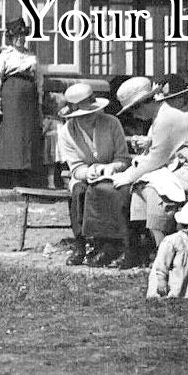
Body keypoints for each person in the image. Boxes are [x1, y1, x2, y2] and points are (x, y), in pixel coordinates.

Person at [111, 74, 188, 248]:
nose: (134, 115)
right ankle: (143, 247)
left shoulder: (167, 118)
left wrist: (126, 176)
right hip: (184, 169)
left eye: (134, 110)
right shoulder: (161, 118)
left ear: (144, 103)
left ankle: (165, 249)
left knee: (154, 190)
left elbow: (155, 159)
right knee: (140, 189)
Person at [56, 82, 133, 268]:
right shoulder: (67, 132)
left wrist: (111, 168)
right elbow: (75, 166)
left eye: (90, 114)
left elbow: (123, 157)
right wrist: (88, 172)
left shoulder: (111, 123)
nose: (87, 118)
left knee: (107, 190)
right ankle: (80, 244)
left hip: (112, 174)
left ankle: (107, 244)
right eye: (81, 116)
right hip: (83, 175)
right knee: (80, 191)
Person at [0, 18, 44, 187]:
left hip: (29, 99)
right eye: (16, 36)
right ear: (11, 38)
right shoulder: (4, 56)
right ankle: (12, 175)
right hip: (11, 97)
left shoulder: (31, 57)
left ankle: (26, 174)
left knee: (28, 135)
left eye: (22, 36)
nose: (20, 39)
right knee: (12, 135)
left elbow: (39, 80)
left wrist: (40, 101)